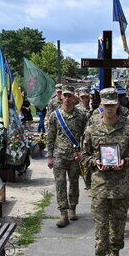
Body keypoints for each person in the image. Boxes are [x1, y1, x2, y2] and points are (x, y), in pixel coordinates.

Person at [82, 87, 129, 256]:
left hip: (121, 187)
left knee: (118, 226)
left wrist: (126, 162)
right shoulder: (92, 129)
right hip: (100, 186)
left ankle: (115, 253)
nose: (109, 108)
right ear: (101, 105)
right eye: (105, 104)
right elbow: (84, 155)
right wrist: (94, 162)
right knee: (100, 229)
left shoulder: (128, 129)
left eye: (112, 104)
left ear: (117, 104)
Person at [47, 84, 87, 227]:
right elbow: (50, 136)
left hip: (75, 156)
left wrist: (82, 153)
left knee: (74, 183)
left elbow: (86, 136)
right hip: (59, 155)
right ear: (61, 96)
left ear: (74, 97)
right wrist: (50, 156)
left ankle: (73, 208)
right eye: (65, 95)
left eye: (70, 95)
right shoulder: (55, 115)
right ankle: (63, 213)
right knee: (60, 183)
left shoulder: (81, 115)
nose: (67, 98)